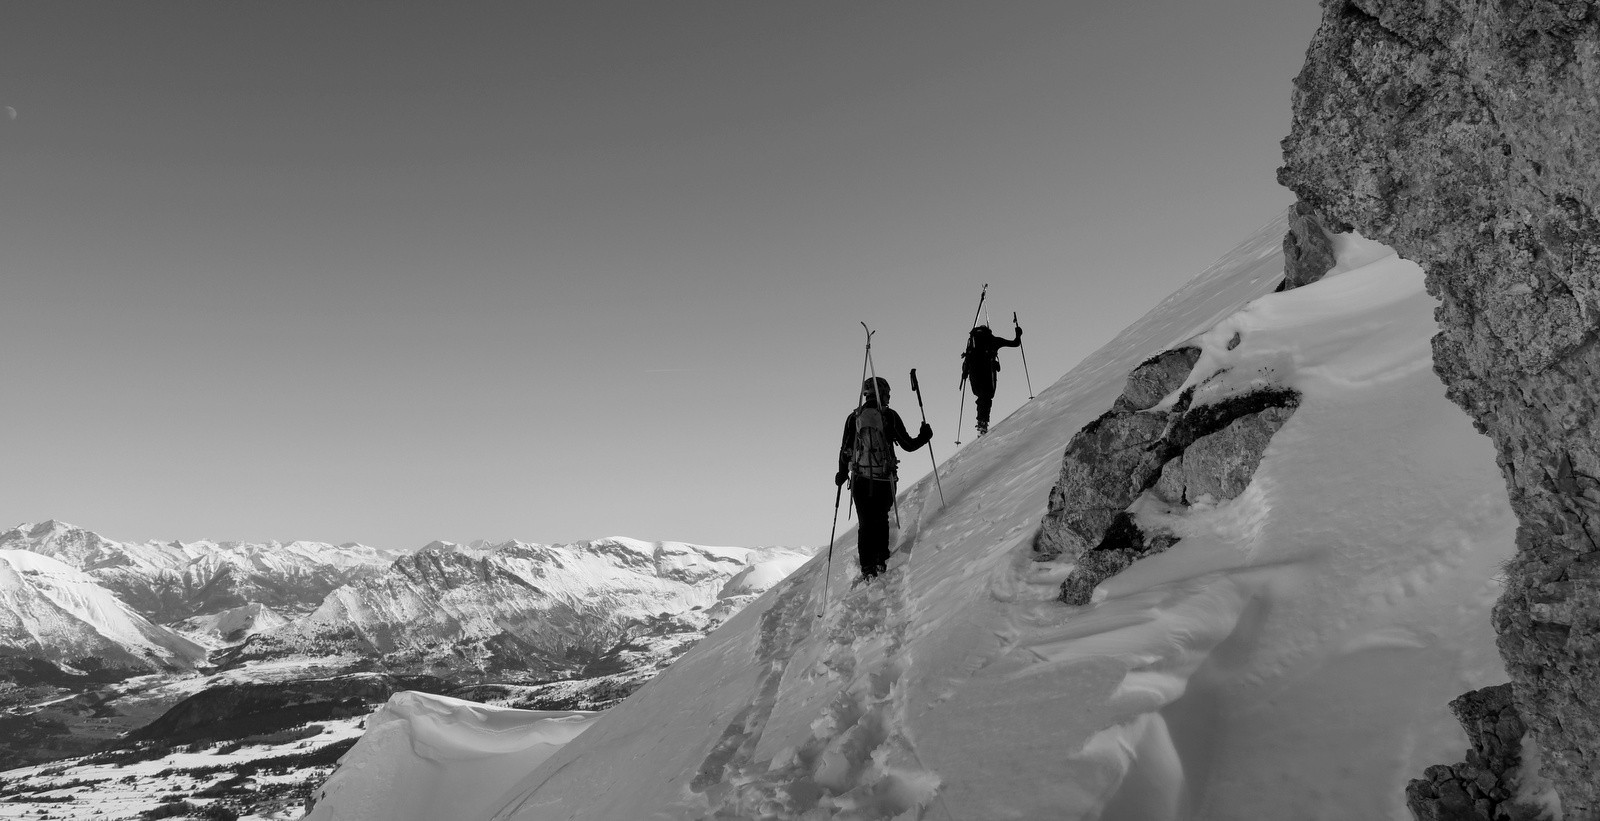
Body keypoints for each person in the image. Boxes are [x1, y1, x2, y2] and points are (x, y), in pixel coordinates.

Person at [834, 377, 932, 579]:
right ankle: (881, 560)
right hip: (884, 480)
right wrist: (925, 435)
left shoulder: (854, 418)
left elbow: (845, 451)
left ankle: (867, 567)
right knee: (880, 519)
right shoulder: (890, 416)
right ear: (884, 394)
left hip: (860, 480)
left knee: (865, 523)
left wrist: (842, 474)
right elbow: (908, 445)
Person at [961, 323, 1022, 435]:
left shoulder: (972, 344)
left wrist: (964, 373)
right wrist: (1018, 333)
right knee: (987, 396)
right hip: (987, 373)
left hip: (974, 374)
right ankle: (983, 422)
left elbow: (966, 361)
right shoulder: (993, 340)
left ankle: (981, 422)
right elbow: (1015, 343)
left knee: (981, 397)